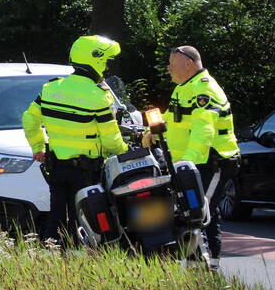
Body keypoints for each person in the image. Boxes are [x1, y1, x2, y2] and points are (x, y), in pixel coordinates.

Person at [22, 35, 128, 246]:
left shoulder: (51, 88)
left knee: (57, 216)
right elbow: (111, 140)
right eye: (107, 62)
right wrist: (124, 151)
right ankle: (83, 260)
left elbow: (29, 119)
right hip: (86, 171)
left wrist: (38, 146)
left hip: (57, 167)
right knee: (87, 218)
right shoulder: (99, 97)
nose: (108, 68)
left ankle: (52, 256)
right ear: (96, 60)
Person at [143, 45, 239, 269]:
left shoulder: (204, 90)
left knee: (195, 215)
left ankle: (198, 269)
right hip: (194, 164)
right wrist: (152, 132)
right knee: (207, 213)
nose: (168, 68)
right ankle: (210, 267)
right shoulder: (183, 88)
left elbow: (204, 130)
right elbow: (173, 118)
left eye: (171, 63)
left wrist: (188, 161)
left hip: (214, 162)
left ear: (188, 64)